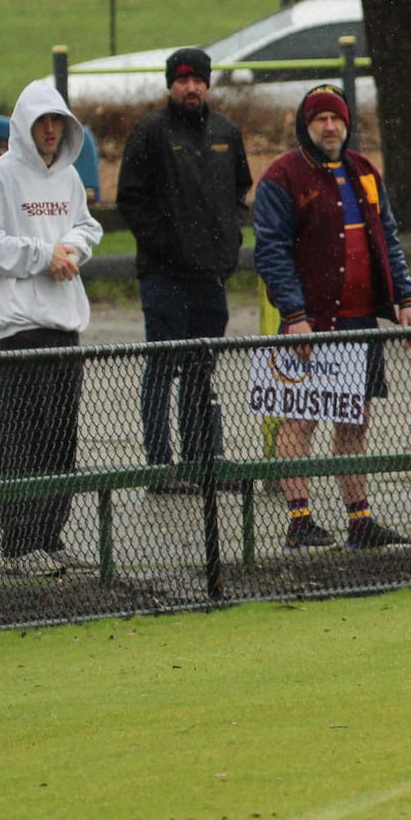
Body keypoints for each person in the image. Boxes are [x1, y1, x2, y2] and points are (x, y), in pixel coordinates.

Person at [252, 84, 411, 552]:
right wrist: (295, 314)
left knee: (355, 420)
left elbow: (388, 237)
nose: (329, 127)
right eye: (320, 119)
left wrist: (405, 298)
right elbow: (271, 253)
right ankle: (299, 520)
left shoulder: (364, 171)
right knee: (300, 418)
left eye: (336, 119)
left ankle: (359, 521)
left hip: (361, 322)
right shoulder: (282, 177)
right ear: (305, 126)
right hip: (311, 322)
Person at [0, 83, 102, 577]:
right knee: (22, 443)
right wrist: (43, 257)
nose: (50, 130)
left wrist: (70, 251)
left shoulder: (67, 177)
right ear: (24, 125)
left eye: (56, 121)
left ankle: (50, 537)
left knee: (61, 442)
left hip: (64, 327)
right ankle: (19, 546)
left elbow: (87, 226)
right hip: (19, 331)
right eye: (42, 121)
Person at [116, 48, 252, 493]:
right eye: (182, 81)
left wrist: (228, 241)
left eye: (197, 81)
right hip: (164, 276)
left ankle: (202, 461)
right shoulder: (151, 132)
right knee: (162, 369)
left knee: (200, 370)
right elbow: (131, 198)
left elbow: (239, 190)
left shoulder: (225, 131)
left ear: (208, 84)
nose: (191, 88)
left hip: (210, 277)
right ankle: (161, 467)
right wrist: (166, 245)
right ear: (170, 84)